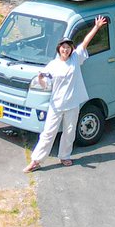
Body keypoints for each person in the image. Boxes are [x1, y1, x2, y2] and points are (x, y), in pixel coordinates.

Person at [23, 14, 107, 172]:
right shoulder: (52, 65)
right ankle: (36, 160)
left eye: (68, 47)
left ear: (71, 49)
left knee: (69, 132)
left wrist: (96, 27)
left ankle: (65, 156)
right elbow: (44, 83)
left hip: (73, 103)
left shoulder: (75, 58)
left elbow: (85, 42)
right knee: (48, 133)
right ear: (59, 49)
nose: (66, 49)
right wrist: (40, 78)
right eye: (63, 47)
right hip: (56, 105)